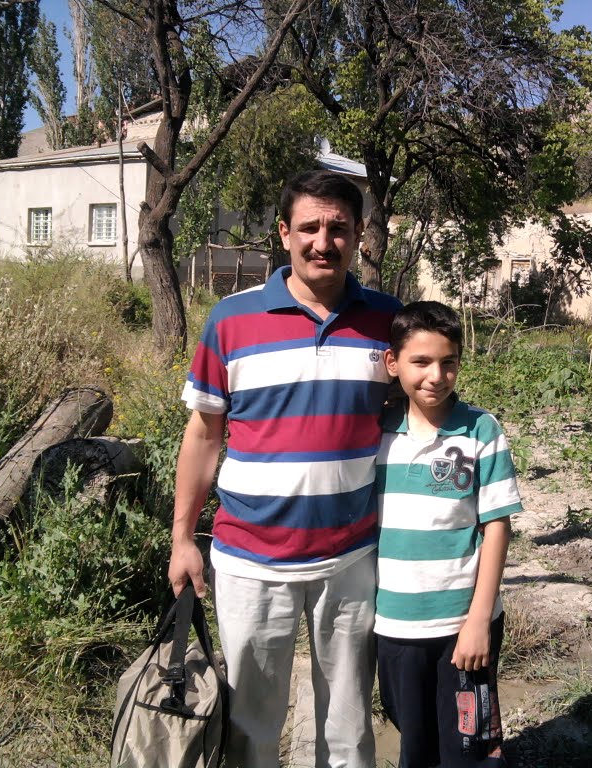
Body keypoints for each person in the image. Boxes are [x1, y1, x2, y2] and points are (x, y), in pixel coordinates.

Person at [169, 169, 401, 768]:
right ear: (284, 233)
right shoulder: (231, 320)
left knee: (349, 728)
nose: (323, 241)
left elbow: (414, 424)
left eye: (339, 228)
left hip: (351, 558)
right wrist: (181, 539)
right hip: (250, 561)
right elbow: (202, 435)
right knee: (251, 723)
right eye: (310, 227)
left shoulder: (389, 321)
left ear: (358, 236)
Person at [374, 301, 522, 768]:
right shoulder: (375, 431)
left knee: (468, 747)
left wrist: (478, 619)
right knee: (412, 739)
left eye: (448, 362)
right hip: (396, 623)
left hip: (463, 623)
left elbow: (496, 525)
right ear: (392, 363)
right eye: (420, 362)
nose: (435, 375)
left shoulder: (481, 429)